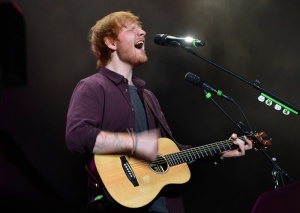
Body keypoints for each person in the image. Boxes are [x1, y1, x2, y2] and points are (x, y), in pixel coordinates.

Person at [65, 11, 253, 213]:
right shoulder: (93, 87)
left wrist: (221, 151)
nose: (143, 32)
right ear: (111, 43)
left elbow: (170, 151)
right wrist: (134, 143)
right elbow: (77, 136)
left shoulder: (148, 96)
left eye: (141, 28)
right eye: (132, 29)